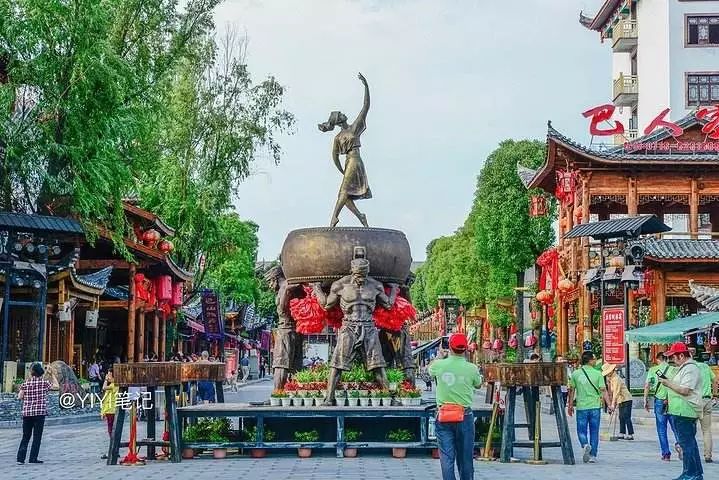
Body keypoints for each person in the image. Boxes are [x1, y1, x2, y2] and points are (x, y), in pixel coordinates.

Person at [318, 72, 372, 227]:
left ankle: (334, 217)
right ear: (339, 119)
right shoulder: (345, 133)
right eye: (340, 113)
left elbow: (365, 107)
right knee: (345, 195)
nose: (343, 113)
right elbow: (334, 156)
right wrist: (342, 169)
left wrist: (366, 87)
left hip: (354, 162)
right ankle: (360, 217)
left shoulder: (350, 130)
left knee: (343, 192)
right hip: (352, 162)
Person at [429, 333, 483, 480]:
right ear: (466, 348)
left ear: (449, 347)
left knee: (446, 458)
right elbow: (478, 384)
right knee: (466, 458)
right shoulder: (472, 368)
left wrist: (440, 355)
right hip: (464, 416)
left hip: (444, 415)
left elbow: (429, 371)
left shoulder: (439, 365)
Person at [658, 342, 703, 480]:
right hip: (680, 410)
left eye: (674, 357)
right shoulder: (684, 368)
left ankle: (691, 474)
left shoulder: (690, 369)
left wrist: (668, 383)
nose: (672, 360)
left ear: (681, 355)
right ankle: (694, 473)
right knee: (689, 444)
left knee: (687, 444)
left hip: (685, 411)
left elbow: (685, 390)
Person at [567, 351, 611, 464]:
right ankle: (593, 456)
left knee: (581, 430)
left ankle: (585, 444)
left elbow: (571, 391)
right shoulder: (598, 374)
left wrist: (570, 405)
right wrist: (609, 404)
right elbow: (604, 390)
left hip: (582, 407)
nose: (595, 360)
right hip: (595, 407)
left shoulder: (576, 374)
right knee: (594, 431)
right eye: (594, 358)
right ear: (590, 360)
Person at [644, 351, 677, 461]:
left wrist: (645, 400)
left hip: (659, 401)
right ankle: (680, 446)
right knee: (675, 427)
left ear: (658, 359)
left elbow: (647, 385)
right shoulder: (673, 369)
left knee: (662, 429)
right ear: (667, 359)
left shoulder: (653, 370)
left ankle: (666, 454)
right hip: (672, 401)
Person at [16, 363, 51, 465]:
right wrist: (51, 373)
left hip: (27, 413)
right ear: (41, 372)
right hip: (39, 413)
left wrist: (27, 398)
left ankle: (20, 459)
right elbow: (56, 386)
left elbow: (20, 396)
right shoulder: (44, 383)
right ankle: (33, 458)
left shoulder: (25, 383)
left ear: (32, 372)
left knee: (25, 436)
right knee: (37, 437)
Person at [603, 363, 634, 440]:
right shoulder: (611, 379)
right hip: (621, 400)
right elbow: (612, 393)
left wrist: (613, 404)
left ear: (611, 371)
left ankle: (630, 434)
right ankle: (622, 433)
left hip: (626, 399)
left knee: (626, 416)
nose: (607, 375)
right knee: (621, 416)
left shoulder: (616, 379)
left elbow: (616, 392)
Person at [697, 357, 717, 463]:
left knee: (690, 430)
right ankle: (708, 455)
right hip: (707, 400)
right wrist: (715, 395)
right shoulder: (705, 366)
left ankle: (689, 454)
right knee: (707, 430)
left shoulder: (690, 367)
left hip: (694, 401)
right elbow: (715, 380)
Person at [100, 370, 119, 459]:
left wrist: (105, 380)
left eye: (109, 375)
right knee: (113, 431)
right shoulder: (115, 385)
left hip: (111, 410)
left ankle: (113, 450)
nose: (108, 377)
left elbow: (104, 388)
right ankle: (114, 450)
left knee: (111, 431)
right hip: (112, 410)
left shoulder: (113, 385)